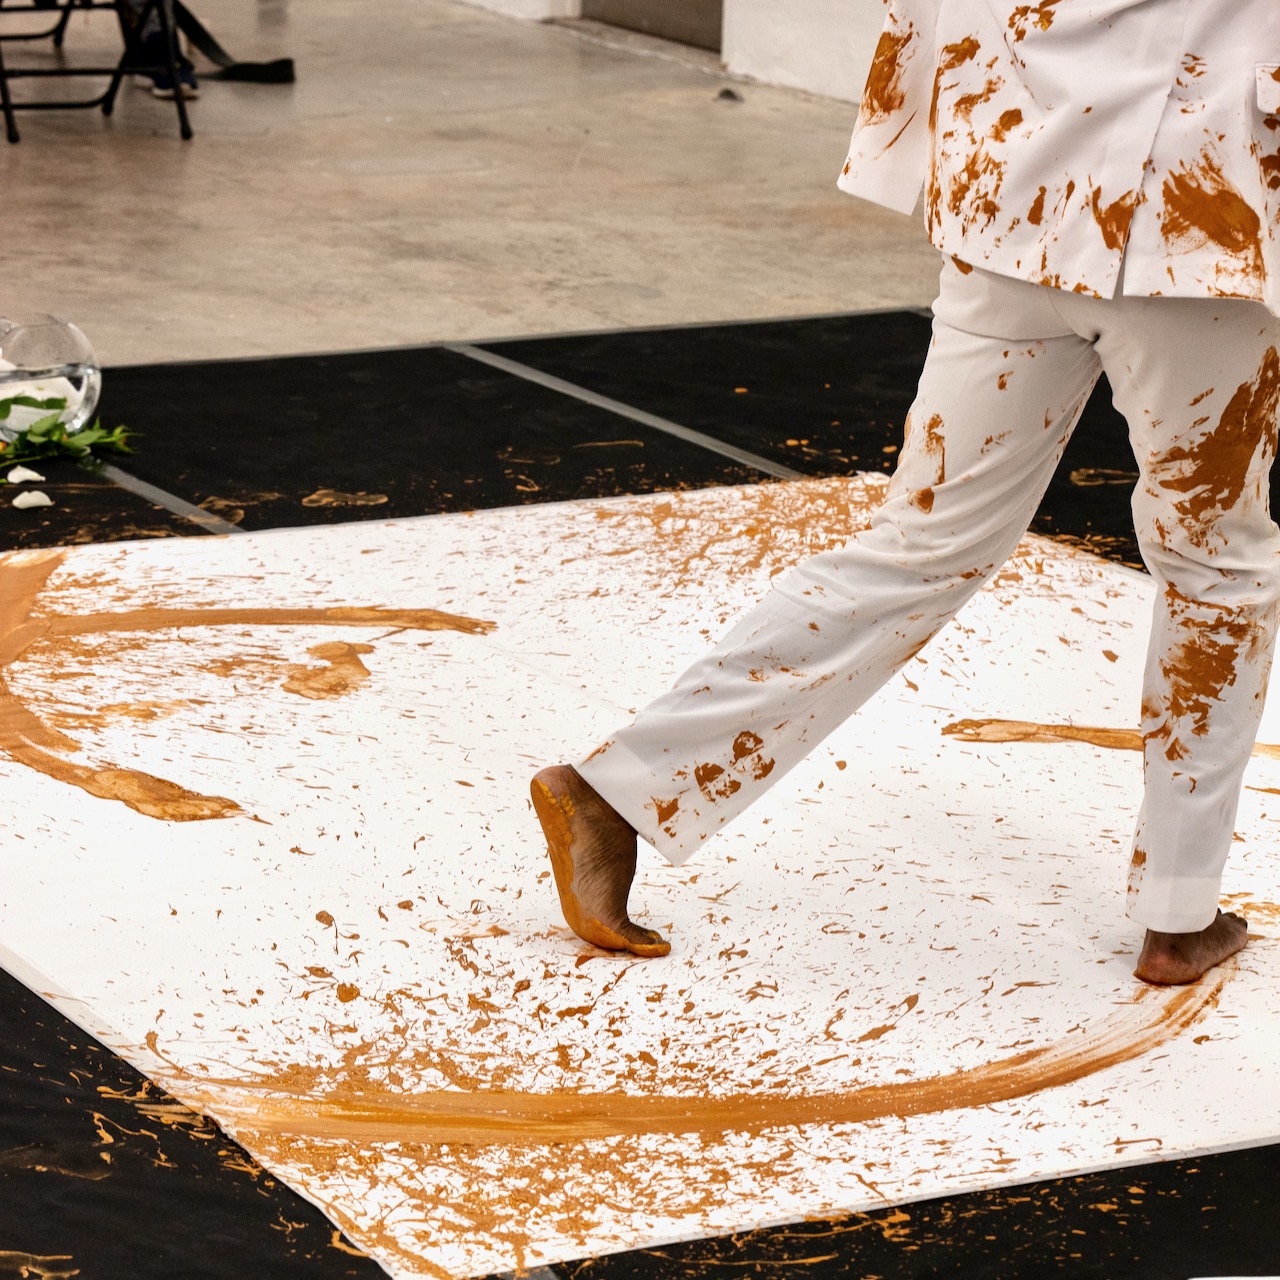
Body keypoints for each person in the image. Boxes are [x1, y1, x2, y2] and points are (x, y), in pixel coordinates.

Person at [531, 0, 1280, 986]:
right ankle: (1178, 915)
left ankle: (618, 793)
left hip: (1018, 197)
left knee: (920, 546)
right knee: (1216, 568)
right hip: (1196, 220)